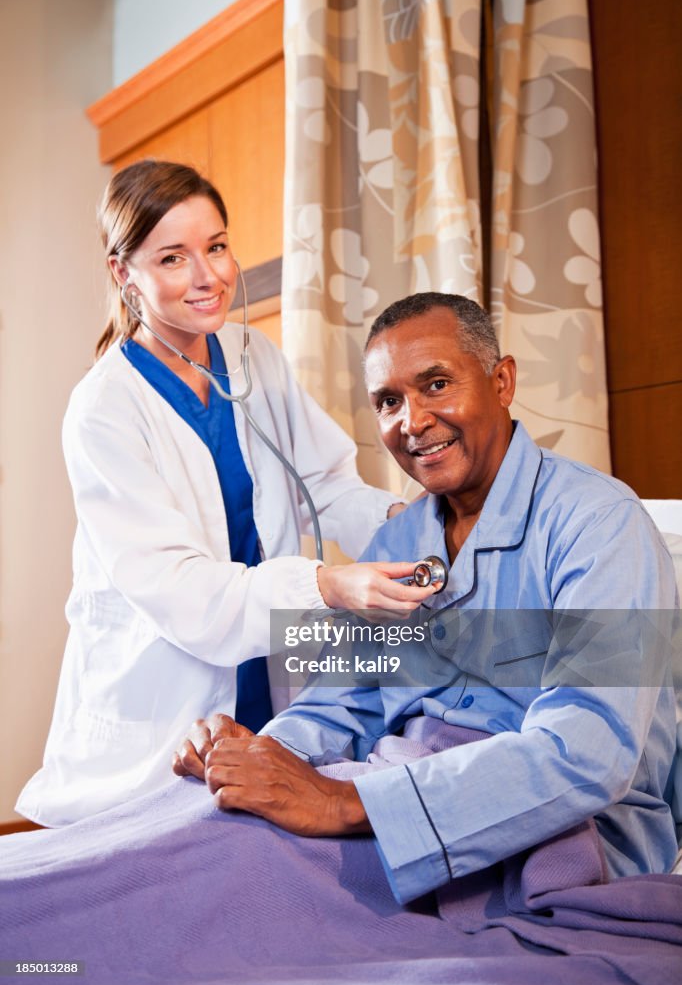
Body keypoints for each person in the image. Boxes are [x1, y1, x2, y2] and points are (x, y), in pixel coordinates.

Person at [174, 292, 679, 904]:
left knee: (234, 893)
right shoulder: (398, 539)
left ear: (502, 381)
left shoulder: (598, 524)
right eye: (389, 401)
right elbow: (344, 706)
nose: (411, 421)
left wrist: (341, 801)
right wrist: (260, 757)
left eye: (436, 384)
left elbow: (589, 751)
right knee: (195, 838)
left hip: (565, 832)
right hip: (388, 790)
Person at [16, 162, 436, 829]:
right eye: (173, 258)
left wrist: (410, 524)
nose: (208, 276)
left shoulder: (252, 357)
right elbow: (185, 594)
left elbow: (324, 485)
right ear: (124, 273)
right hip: (158, 716)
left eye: (215, 246)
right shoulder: (103, 411)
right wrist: (328, 584)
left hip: (263, 689)